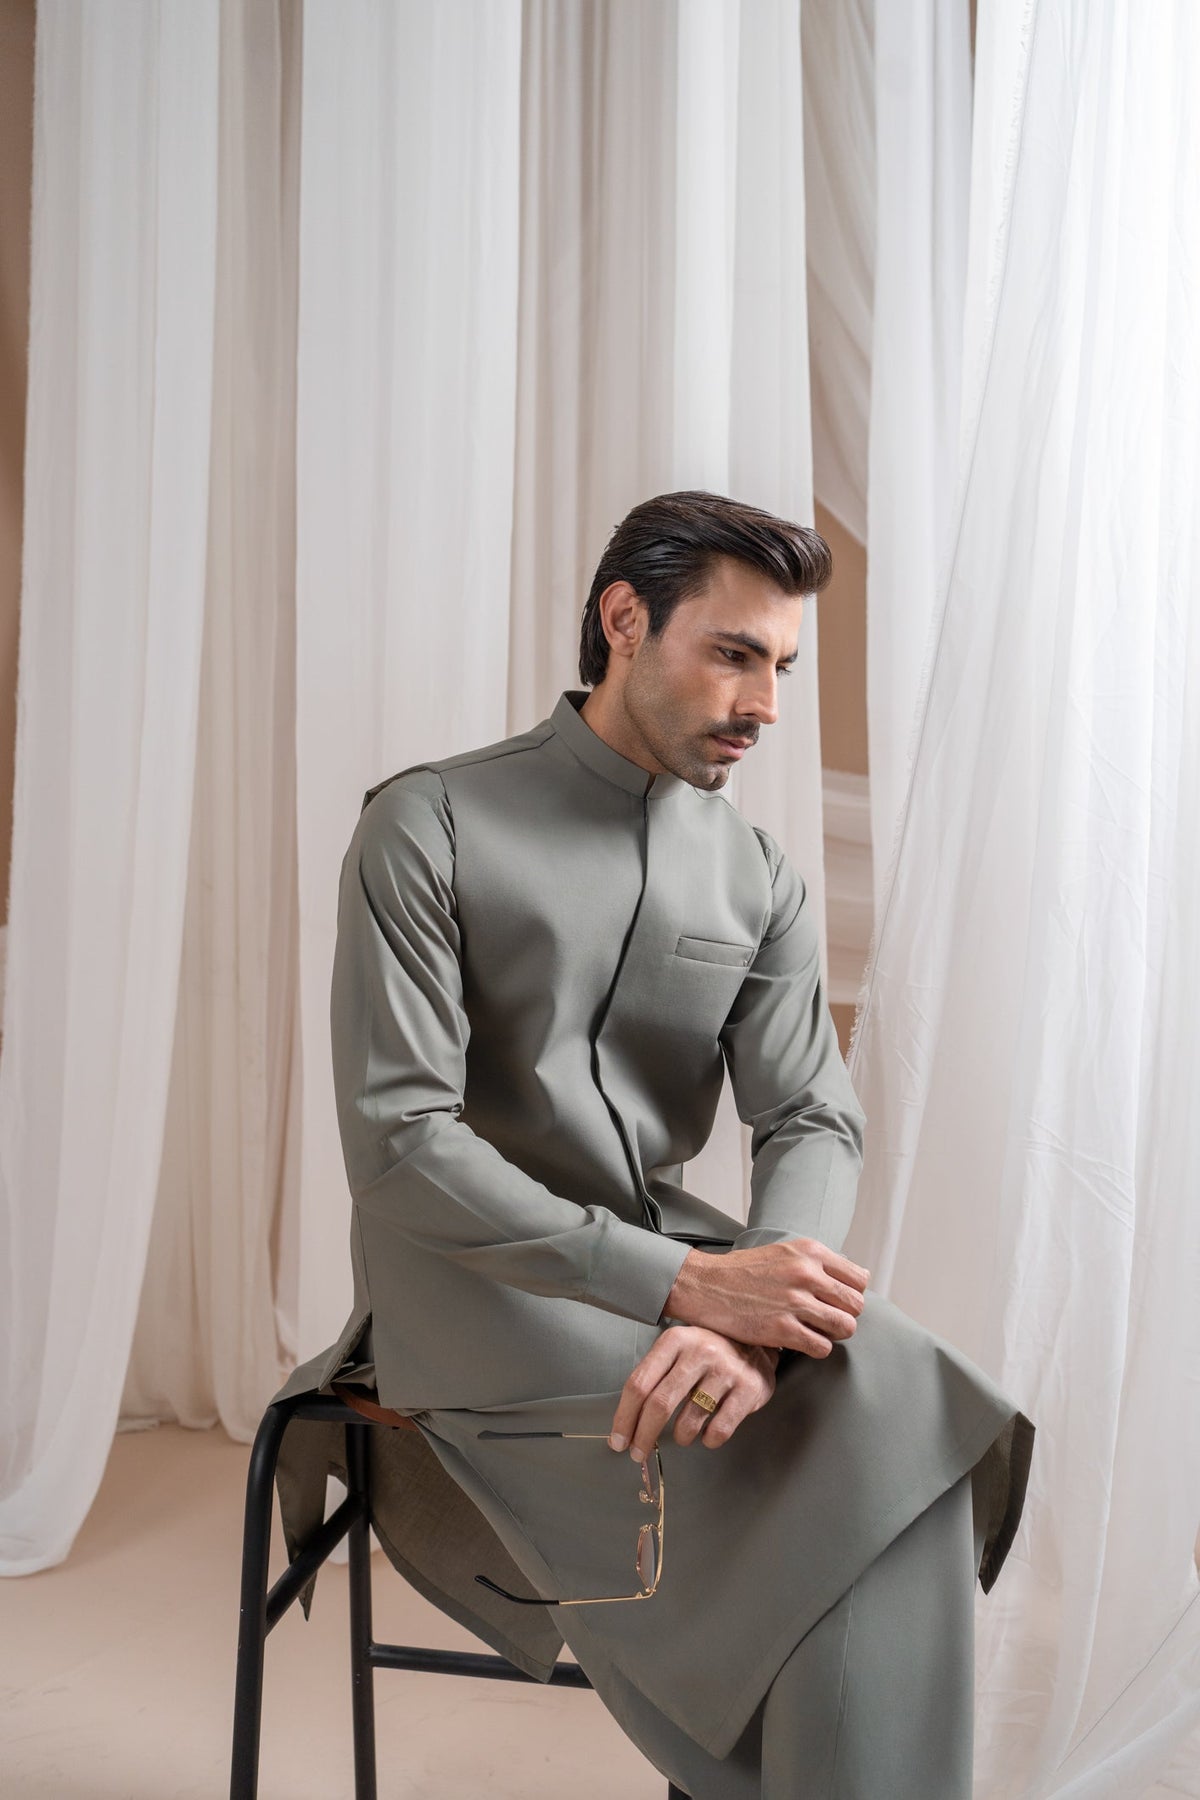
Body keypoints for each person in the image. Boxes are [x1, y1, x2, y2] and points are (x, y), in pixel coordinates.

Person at [272, 490, 1034, 1798]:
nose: (765, 705)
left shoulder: (758, 875)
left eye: (781, 667)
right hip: (465, 1288)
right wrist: (686, 1286)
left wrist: (754, 1314)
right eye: (735, 654)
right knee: (860, 1423)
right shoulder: (427, 825)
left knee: (893, 1390)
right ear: (625, 620)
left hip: (669, 1270)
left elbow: (812, 1114)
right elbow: (399, 1143)